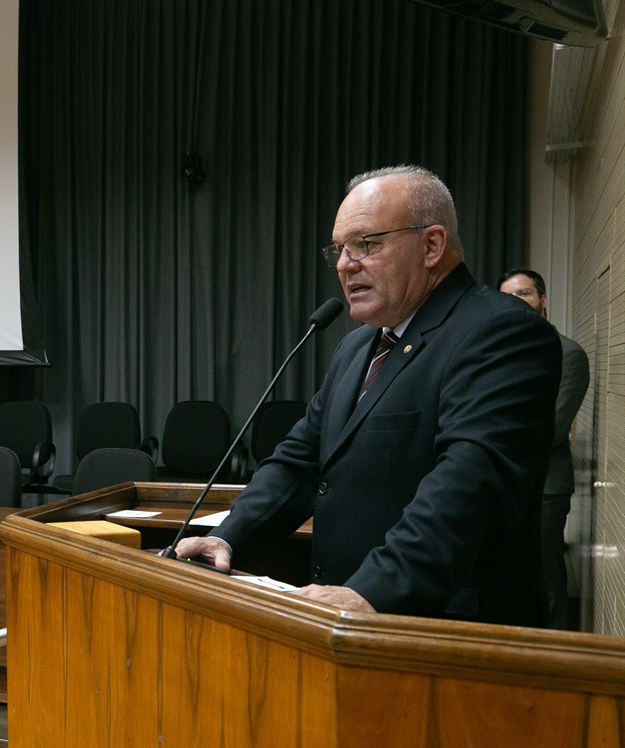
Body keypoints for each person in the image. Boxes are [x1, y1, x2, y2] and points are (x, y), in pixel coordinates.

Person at [176, 165, 562, 626]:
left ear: (432, 245)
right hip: (342, 625)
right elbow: (300, 461)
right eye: (339, 250)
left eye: (367, 244)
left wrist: (369, 593)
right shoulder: (359, 345)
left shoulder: (501, 331)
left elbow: (469, 486)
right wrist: (231, 536)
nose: (344, 264)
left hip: (440, 631)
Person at [499, 268, 590, 629]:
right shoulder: (498, 354)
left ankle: (556, 648)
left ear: (542, 300)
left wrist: (493, 440)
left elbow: (551, 427)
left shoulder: (569, 354)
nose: (515, 302)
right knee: (508, 575)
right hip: (504, 482)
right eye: (507, 296)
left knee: (545, 573)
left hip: (547, 486)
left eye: (523, 294)